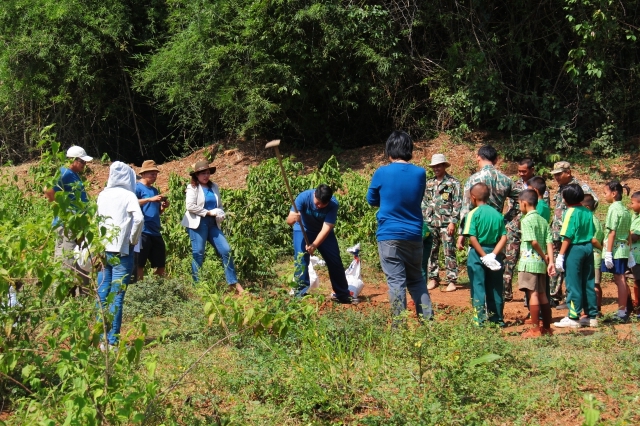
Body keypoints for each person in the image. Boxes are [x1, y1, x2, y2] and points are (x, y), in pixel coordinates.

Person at [367, 131, 432, 321]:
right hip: (414, 234)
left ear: (389, 150)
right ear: (409, 149)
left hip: (389, 234)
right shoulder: (420, 173)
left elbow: (371, 199)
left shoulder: (382, 172)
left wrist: (387, 200)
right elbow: (417, 198)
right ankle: (428, 323)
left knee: (396, 281)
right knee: (417, 279)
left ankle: (399, 327)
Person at [96, 162, 143, 351]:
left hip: (103, 249)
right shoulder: (128, 195)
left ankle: (101, 338)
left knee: (102, 294)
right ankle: (112, 340)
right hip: (122, 251)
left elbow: (96, 219)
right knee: (116, 296)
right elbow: (139, 219)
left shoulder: (102, 195)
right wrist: (132, 239)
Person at [181, 161, 244, 294]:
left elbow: (219, 205)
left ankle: (233, 283)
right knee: (198, 253)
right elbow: (190, 206)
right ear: (196, 175)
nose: (206, 176)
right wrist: (208, 212)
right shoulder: (192, 188)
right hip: (198, 224)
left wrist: (220, 213)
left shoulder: (214, 186)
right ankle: (197, 286)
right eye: (203, 173)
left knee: (226, 250)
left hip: (212, 224)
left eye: (208, 173)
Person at [286, 184, 352, 303]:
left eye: (323, 204)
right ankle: (299, 293)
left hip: (323, 232)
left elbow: (327, 228)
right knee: (301, 259)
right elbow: (289, 221)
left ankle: (342, 294)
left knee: (334, 260)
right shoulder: (303, 197)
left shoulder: (333, 204)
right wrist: (294, 218)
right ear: (314, 195)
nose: (319, 206)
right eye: (317, 203)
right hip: (303, 229)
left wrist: (314, 245)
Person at [45, 145, 93, 296]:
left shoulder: (74, 174)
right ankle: (62, 293)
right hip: (67, 223)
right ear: (73, 160)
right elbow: (48, 190)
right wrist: (63, 207)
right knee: (67, 256)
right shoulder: (64, 172)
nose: (84, 165)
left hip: (77, 223)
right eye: (82, 161)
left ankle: (80, 292)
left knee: (79, 255)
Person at [550, 161, 598, 309]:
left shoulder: (579, 187)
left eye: (559, 174)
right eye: (555, 175)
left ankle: (571, 300)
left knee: (572, 268)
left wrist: (578, 220)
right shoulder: (561, 188)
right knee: (558, 264)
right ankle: (554, 295)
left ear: (568, 172)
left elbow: (593, 201)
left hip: (572, 235)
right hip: (558, 232)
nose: (557, 177)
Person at [457, 145, 520, 253]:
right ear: (496, 160)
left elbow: (466, 208)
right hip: (497, 227)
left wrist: (462, 233)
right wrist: (506, 218)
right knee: (495, 258)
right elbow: (522, 199)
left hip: (478, 228)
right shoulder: (506, 180)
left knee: (477, 258)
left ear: (478, 157)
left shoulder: (473, 180)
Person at [461, 183, 508, 326]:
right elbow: (504, 237)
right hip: (495, 252)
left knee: (478, 285)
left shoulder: (472, 214)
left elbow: (472, 238)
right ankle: (497, 319)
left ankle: (479, 319)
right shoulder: (497, 214)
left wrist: (483, 255)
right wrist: (492, 255)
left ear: (473, 197)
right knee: (495, 286)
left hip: (477, 253)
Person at [516, 190, 555, 337]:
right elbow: (549, 242)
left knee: (532, 294)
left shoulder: (526, 221)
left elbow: (533, 242)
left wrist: (544, 256)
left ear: (524, 203)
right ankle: (547, 328)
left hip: (529, 263)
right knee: (543, 294)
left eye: (519, 203)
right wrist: (550, 261)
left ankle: (535, 329)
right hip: (541, 264)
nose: (519, 206)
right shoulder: (543, 221)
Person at [422, 154, 461, 292]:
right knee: (431, 251)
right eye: (434, 166)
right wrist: (425, 220)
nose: (436, 168)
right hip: (431, 222)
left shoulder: (453, 183)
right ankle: (433, 278)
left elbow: (457, 203)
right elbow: (424, 202)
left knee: (449, 251)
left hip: (446, 223)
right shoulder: (429, 183)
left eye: (438, 166)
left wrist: (453, 222)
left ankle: (452, 280)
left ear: (444, 166)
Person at [502, 159, 538, 301]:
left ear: (532, 170)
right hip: (513, 227)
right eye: (519, 171)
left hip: (530, 229)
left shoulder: (538, 186)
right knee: (508, 259)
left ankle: (528, 295)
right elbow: (509, 206)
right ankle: (506, 292)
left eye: (524, 171)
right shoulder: (514, 185)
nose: (521, 174)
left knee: (529, 262)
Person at [601, 181, 633, 322]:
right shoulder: (625, 210)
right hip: (623, 248)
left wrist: (608, 253)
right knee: (621, 279)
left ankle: (622, 311)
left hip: (616, 249)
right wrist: (629, 250)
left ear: (613, 194)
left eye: (605, 193)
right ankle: (624, 309)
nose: (604, 196)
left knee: (620, 279)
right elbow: (628, 232)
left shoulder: (614, 209)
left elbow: (612, 232)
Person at [135, 160, 169, 280]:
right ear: (143, 174)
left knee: (161, 264)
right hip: (143, 231)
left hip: (155, 230)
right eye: (152, 174)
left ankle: (156, 286)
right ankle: (140, 287)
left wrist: (162, 207)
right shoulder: (137, 188)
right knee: (140, 263)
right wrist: (150, 199)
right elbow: (132, 203)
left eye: (156, 174)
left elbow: (155, 212)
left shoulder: (154, 190)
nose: (154, 176)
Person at [581, 194, 604, 315]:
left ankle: (593, 310)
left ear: (587, 207)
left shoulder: (589, 219)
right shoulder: (596, 219)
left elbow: (593, 240)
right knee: (596, 284)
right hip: (597, 255)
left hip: (593, 255)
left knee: (593, 284)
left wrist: (601, 248)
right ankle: (597, 308)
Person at [629, 191, 640, 317]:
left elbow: (635, 236)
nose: (630, 205)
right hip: (632, 254)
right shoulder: (634, 216)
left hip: (638, 256)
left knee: (638, 281)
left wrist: (624, 234)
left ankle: (638, 307)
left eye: (632, 203)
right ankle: (631, 306)